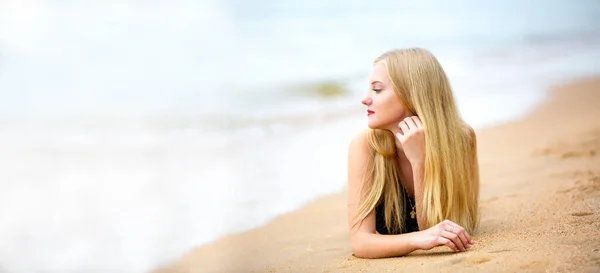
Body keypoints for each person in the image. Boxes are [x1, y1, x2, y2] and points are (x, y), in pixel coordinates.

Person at [347, 48, 480, 258]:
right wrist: (417, 239)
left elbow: (445, 231)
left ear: (411, 94)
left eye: (377, 90)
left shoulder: (461, 139)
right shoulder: (365, 145)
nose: (365, 99)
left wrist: (419, 161)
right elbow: (361, 243)